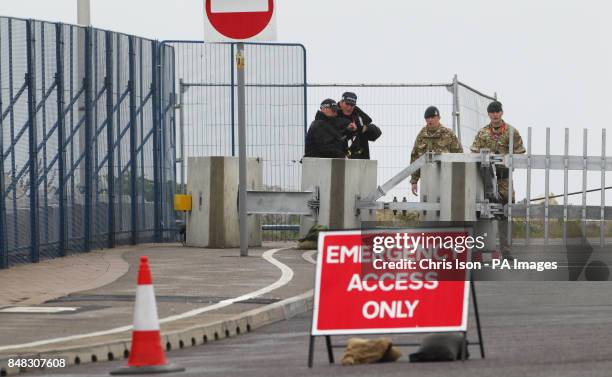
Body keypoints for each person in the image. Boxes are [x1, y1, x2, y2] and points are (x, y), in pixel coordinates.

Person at [470, 100, 525, 259]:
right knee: (480, 212)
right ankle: (479, 249)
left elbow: (520, 153)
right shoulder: (483, 133)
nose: (495, 115)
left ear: (501, 113)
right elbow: (474, 153)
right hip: (484, 179)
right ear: (488, 114)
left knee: (505, 213)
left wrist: (509, 159)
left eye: (497, 112)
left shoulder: (511, 132)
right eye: (492, 112)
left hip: (504, 179)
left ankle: (506, 252)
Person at [410, 106, 463, 196]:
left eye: (433, 117)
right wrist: (414, 181)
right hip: (427, 179)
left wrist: (458, 179)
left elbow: (459, 156)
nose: (430, 120)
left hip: (446, 179)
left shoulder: (448, 134)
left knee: (445, 206)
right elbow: (415, 158)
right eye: (428, 118)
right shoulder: (421, 136)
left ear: (438, 118)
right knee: (428, 206)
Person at [337, 92, 382, 159]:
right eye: (347, 104)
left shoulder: (360, 117)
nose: (349, 107)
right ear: (341, 103)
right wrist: (346, 130)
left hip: (359, 160)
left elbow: (376, 134)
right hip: (337, 160)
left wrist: (364, 128)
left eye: (352, 105)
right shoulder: (333, 115)